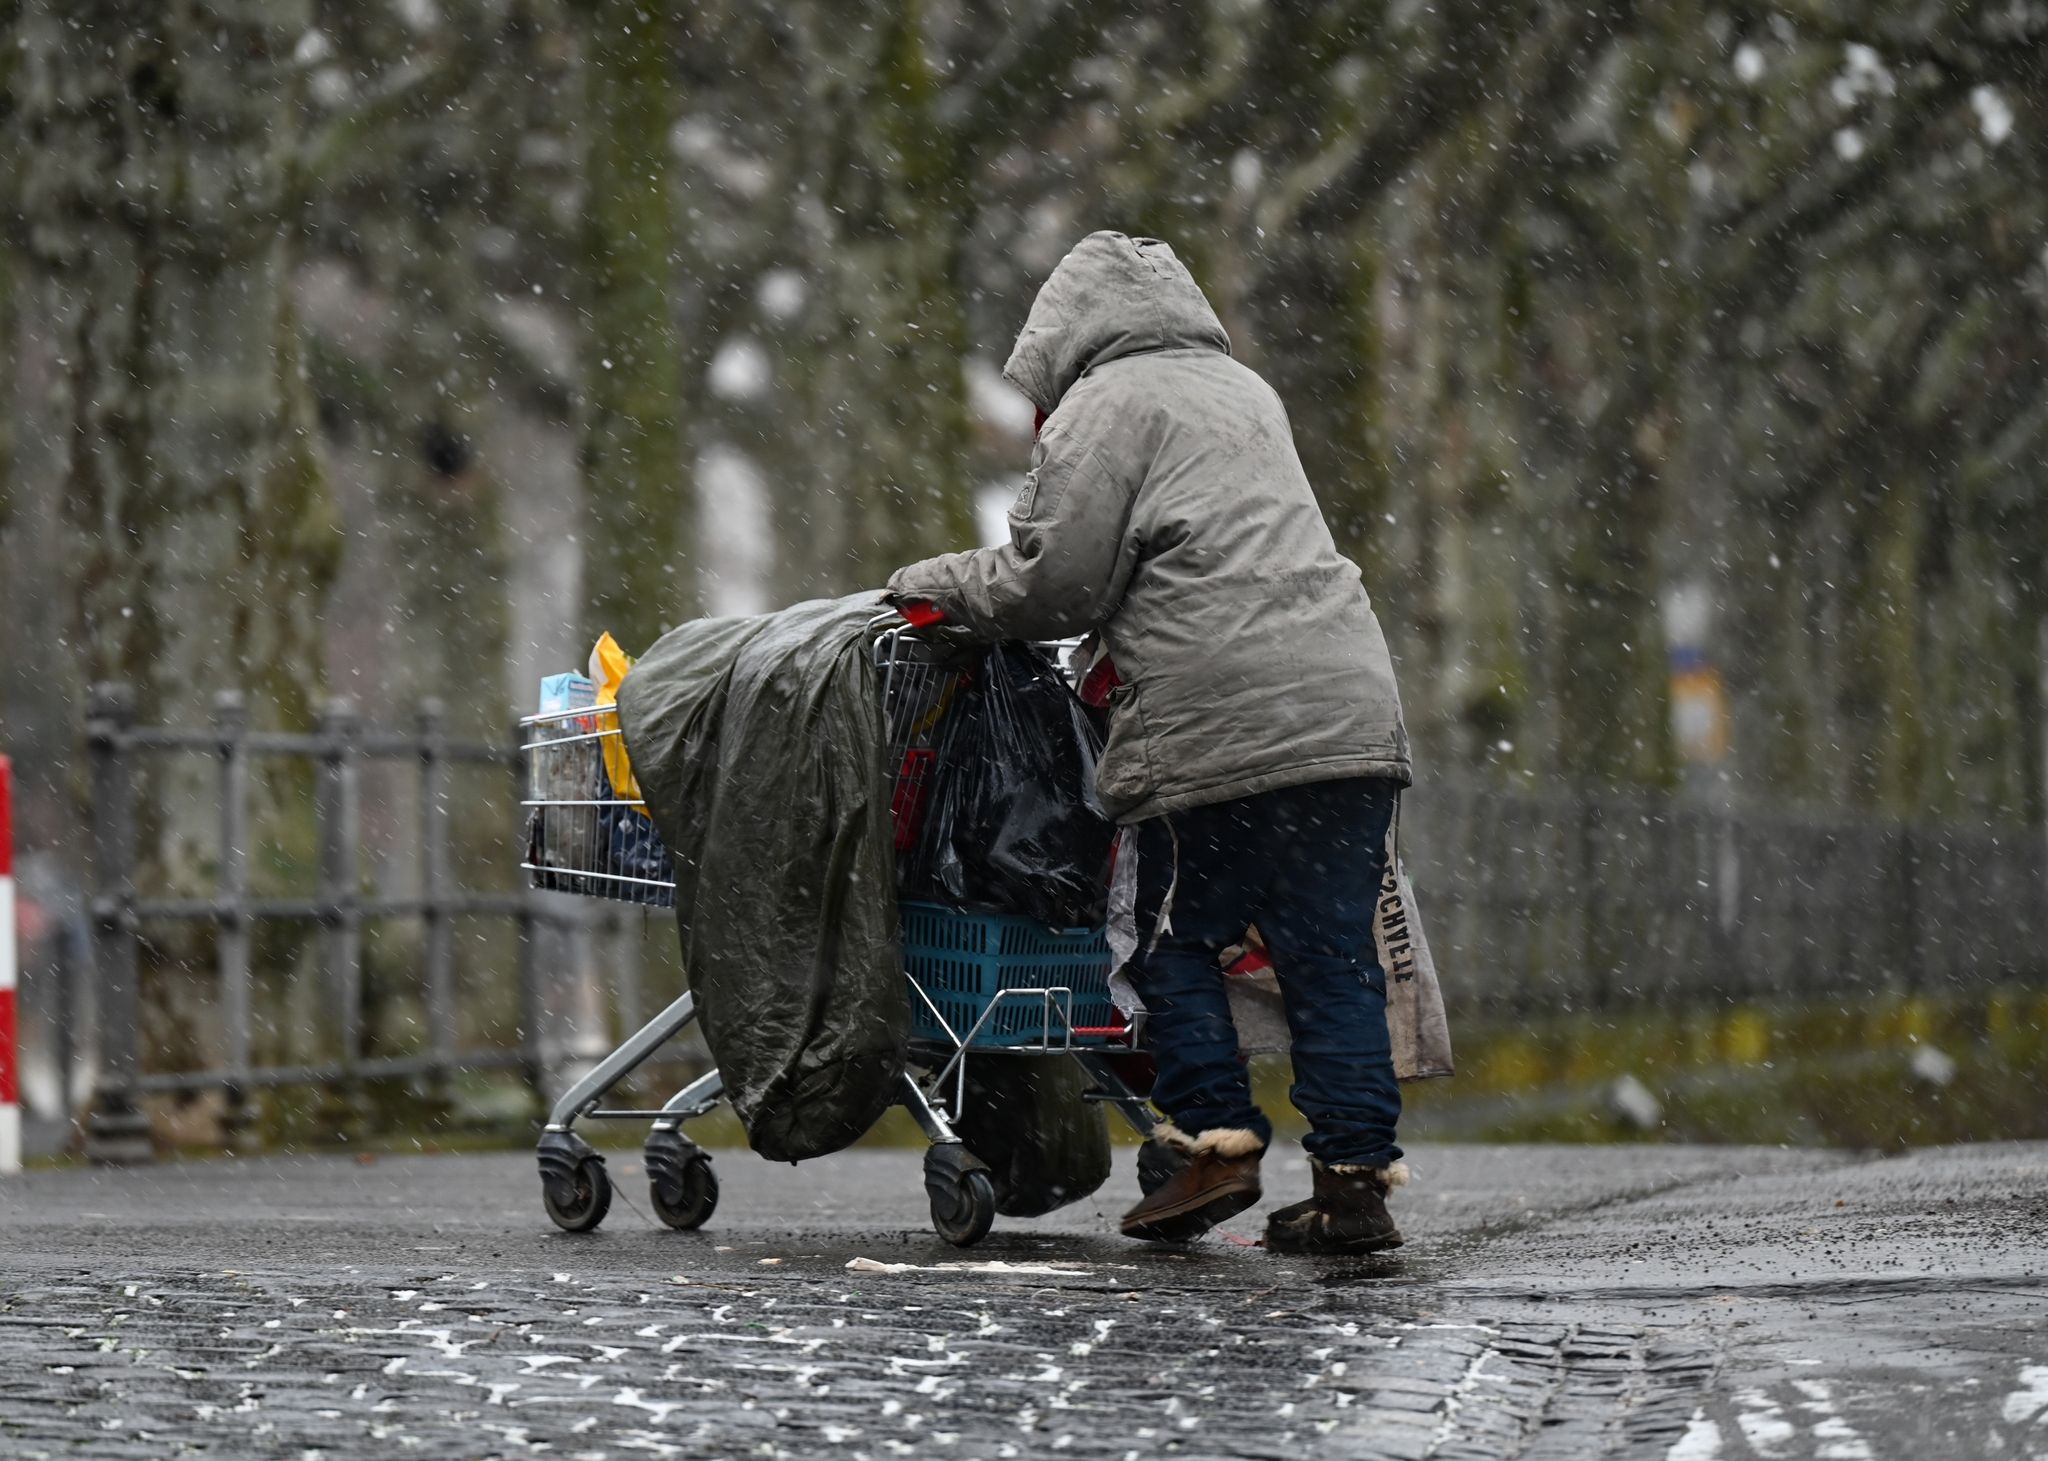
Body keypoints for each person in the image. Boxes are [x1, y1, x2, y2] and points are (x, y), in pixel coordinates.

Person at [887, 231, 1412, 1254]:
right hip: (1349, 710)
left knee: (1167, 940)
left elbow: (1058, 582)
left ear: (1062, 335)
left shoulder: (1104, 403)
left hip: (1215, 716)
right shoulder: (1242, 389)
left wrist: (930, 586)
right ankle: (1352, 1186)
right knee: (1329, 961)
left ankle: (1212, 1145)